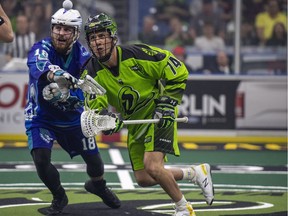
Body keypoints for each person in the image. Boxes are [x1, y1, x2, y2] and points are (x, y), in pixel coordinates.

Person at [82, 13, 214, 216]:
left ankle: (183, 208)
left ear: (113, 36)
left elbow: (177, 69)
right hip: (136, 123)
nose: (98, 42)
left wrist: (169, 103)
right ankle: (195, 173)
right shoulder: (90, 71)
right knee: (144, 178)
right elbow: (95, 105)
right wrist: (106, 120)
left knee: (153, 166)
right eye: (92, 38)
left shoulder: (137, 54)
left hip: (158, 115)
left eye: (102, 36)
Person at [24, 2, 120, 215]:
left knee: (95, 163)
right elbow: (39, 66)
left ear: (76, 33)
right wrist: (58, 76)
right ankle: (59, 195)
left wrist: (103, 110)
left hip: (73, 117)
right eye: (57, 27)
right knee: (40, 159)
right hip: (41, 117)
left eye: (67, 29)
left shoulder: (84, 57)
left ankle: (98, 185)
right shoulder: (41, 48)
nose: (60, 33)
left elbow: (95, 87)